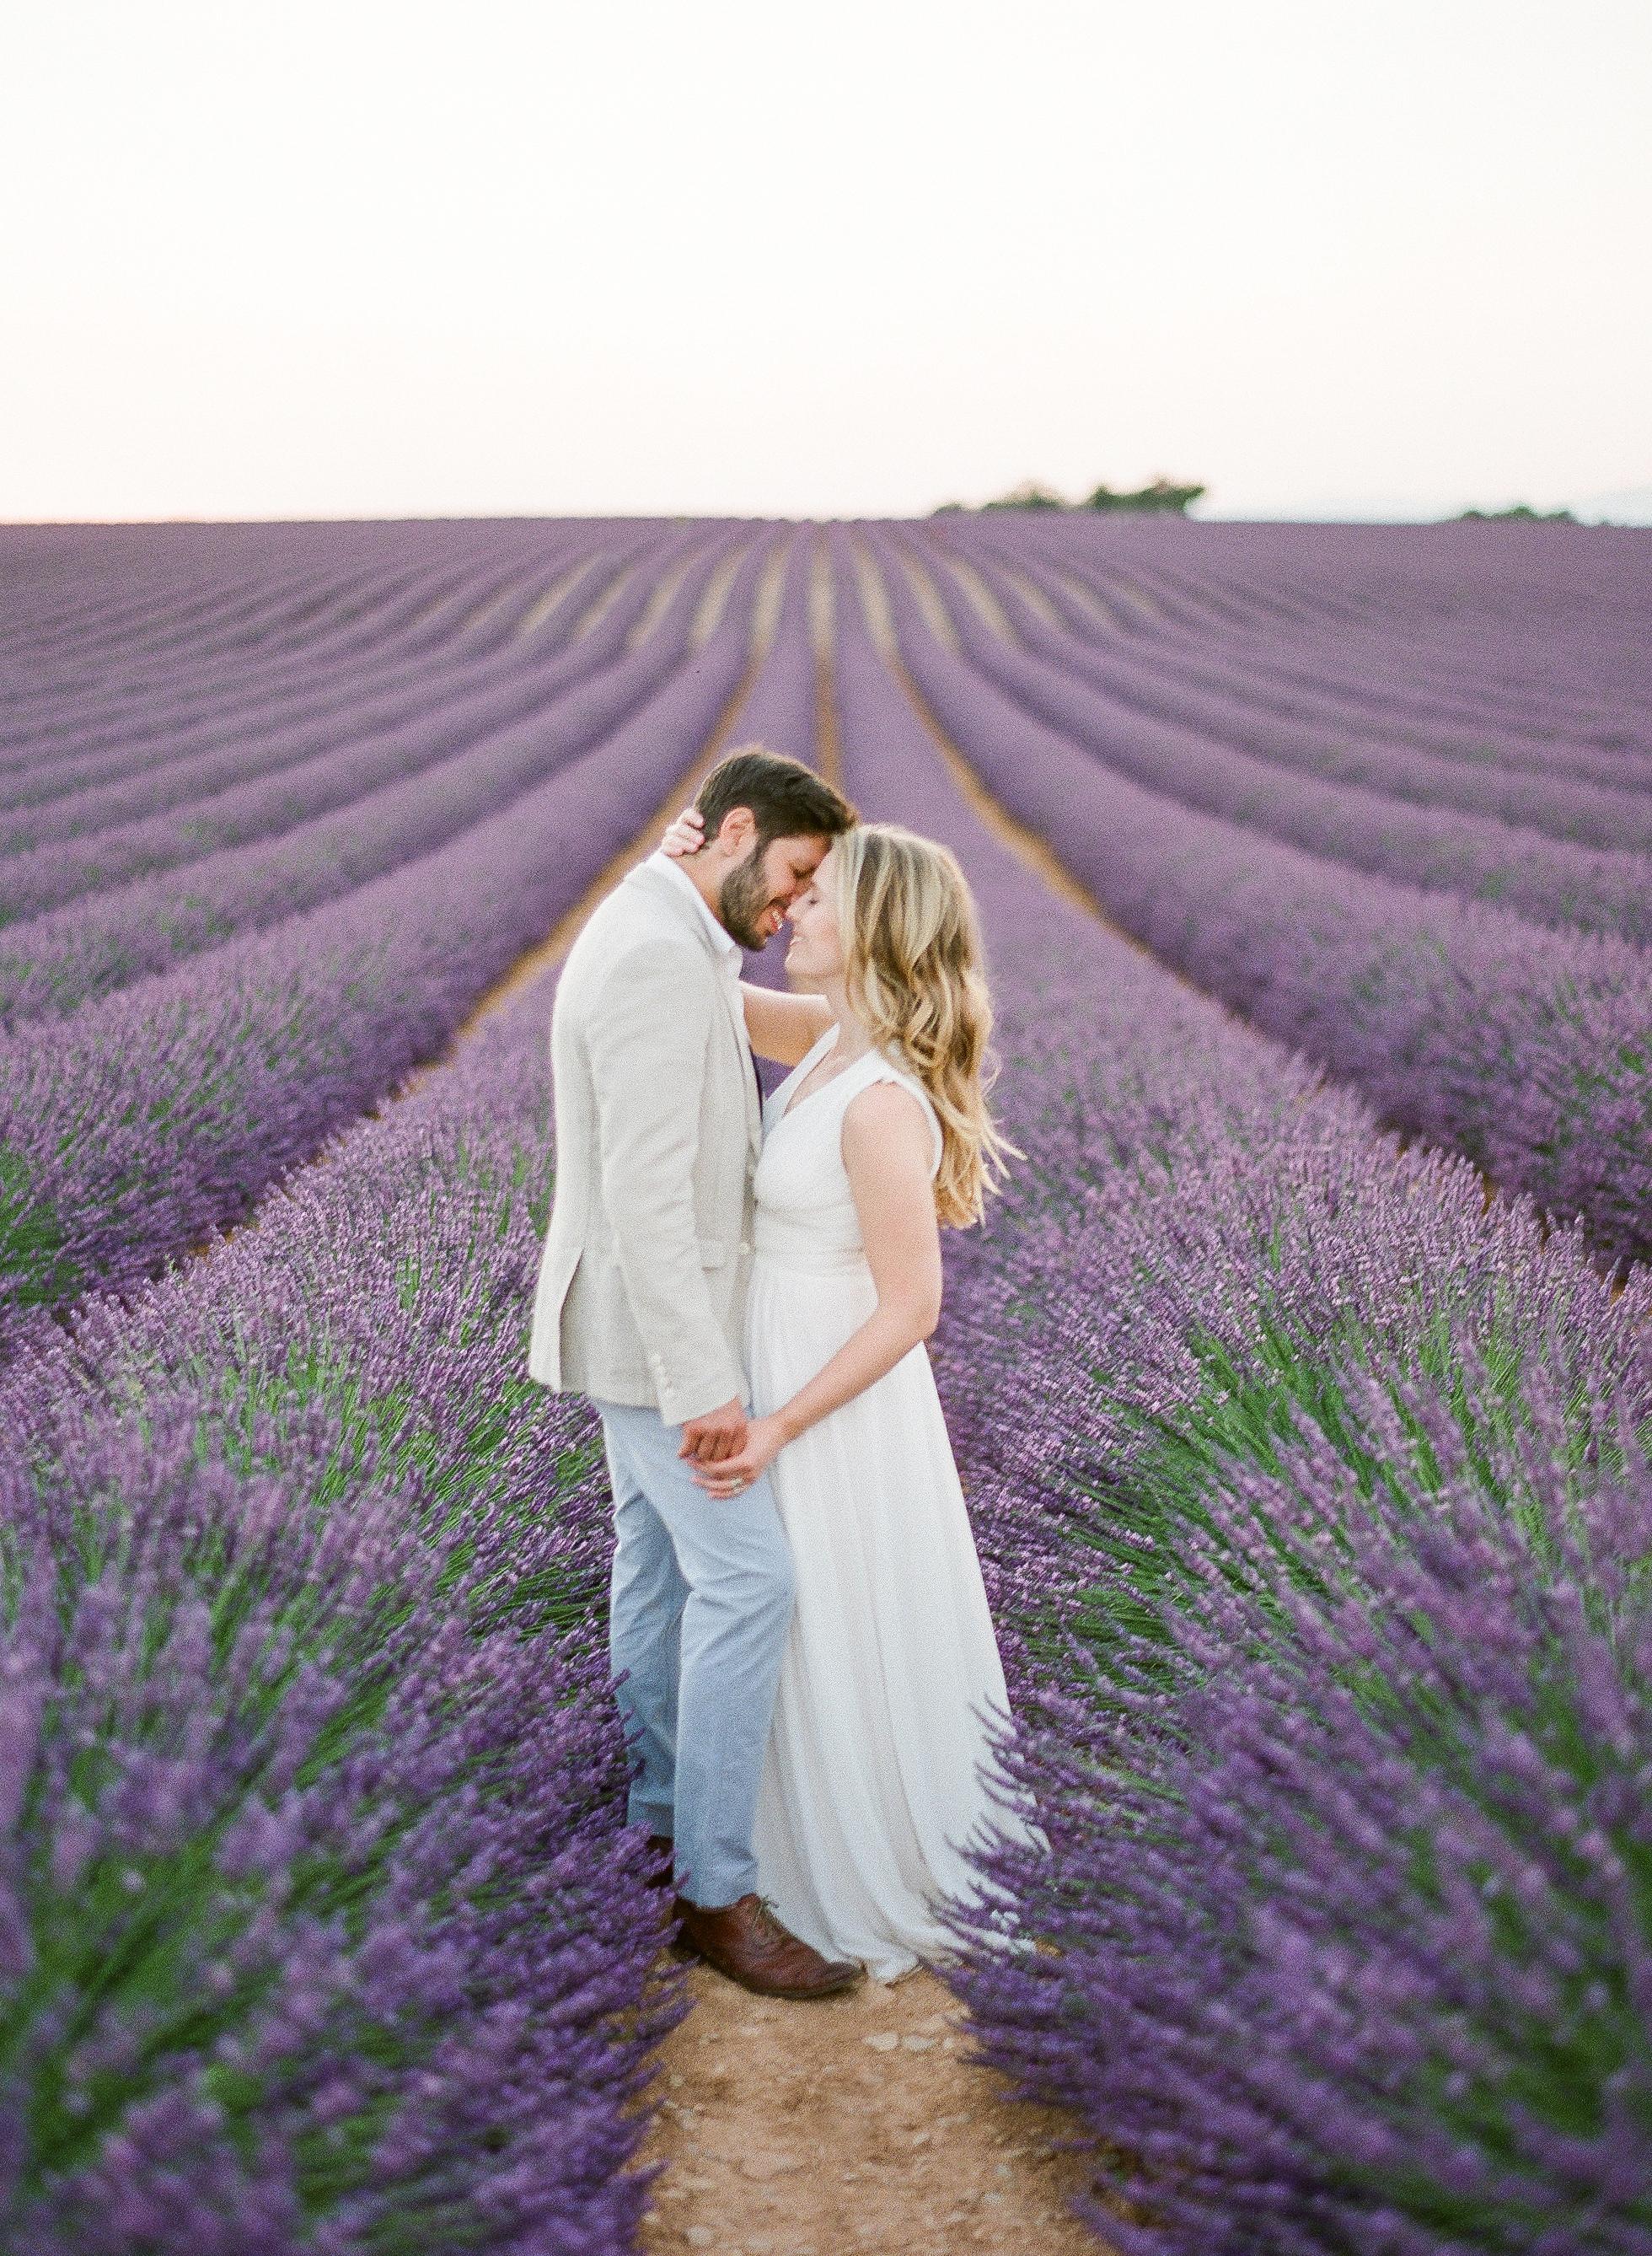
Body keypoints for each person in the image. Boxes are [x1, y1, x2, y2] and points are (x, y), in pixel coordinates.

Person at [658, 803, 1041, 1983]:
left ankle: (808, 1866)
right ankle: (738, 1854)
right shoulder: (830, 1034)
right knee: (785, 1614)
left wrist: (776, 1422)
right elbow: (700, 994)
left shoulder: (880, 1101)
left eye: (816, 897)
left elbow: (912, 1307)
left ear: (869, 926)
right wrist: (679, 876)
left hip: (824, 1389)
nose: (794, 908)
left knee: (820, 1612)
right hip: (779, 1351)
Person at [528, 746, 861, 2001]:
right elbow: (650, 1201)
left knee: (662, 1574)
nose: (785, 912)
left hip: (625, 1329)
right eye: (786, 879)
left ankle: (663, 1829)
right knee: (749, 1581)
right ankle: (718, 1894)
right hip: (657, 1336)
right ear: (731, 833)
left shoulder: (666, 914)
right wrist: (705, 1387)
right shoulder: (664, 956)